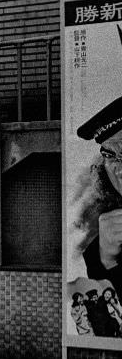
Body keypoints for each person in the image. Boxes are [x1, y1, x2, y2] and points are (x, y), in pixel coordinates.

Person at [68, 97, 122, 294]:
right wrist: (108, 261)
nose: (119, 170)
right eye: (110, 155)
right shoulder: (99, 247)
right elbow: (107, 316)